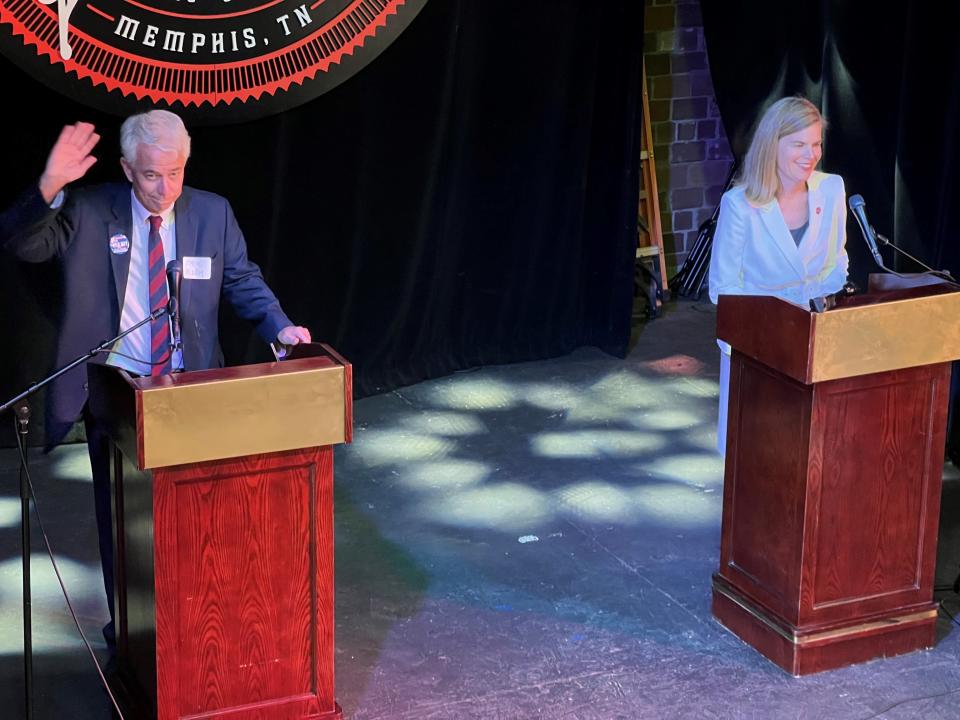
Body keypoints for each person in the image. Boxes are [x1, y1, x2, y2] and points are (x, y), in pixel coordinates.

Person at [0, 109, 311, 651]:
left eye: (175, 173)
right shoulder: (91, 209)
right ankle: (133, 639)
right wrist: (50, 183)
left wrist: (280, 326)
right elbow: (25, 246)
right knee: (125, 524)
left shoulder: (212, 213)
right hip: (117, 391)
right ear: (126, 168)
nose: (164, 188)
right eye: (150, 175)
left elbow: (240, 278)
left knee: (203, 520)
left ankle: (204, 633)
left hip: (192, 389)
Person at [708, 96, 849, 454]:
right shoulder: (740, 204)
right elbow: (723, 289)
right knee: (757, 458)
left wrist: (818, 309)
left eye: (816, 144)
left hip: (817, 338)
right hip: (758, 345)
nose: (810, 154)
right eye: (799, 144)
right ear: (774, 144)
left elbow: (838, 262)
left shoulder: (831, 189)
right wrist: (779, 324)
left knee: (811, 454)